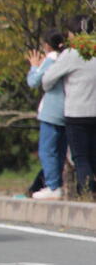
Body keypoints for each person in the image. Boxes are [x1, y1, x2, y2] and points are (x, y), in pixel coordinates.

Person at [42, 16, 96, 196]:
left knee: (81, 158)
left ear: (73, 34)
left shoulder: (72, 54)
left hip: (77, 113)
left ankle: (86, 194)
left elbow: (47, 80)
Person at [26, 30, 67, 199]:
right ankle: (56, 184)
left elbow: (33, 81)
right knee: (60, 151)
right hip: (69, 111)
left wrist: (35, 66)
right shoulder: (67, 59)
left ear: (46, 46)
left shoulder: (51, 59)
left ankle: (52, 186)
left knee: (47, 151)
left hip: (51, 112)